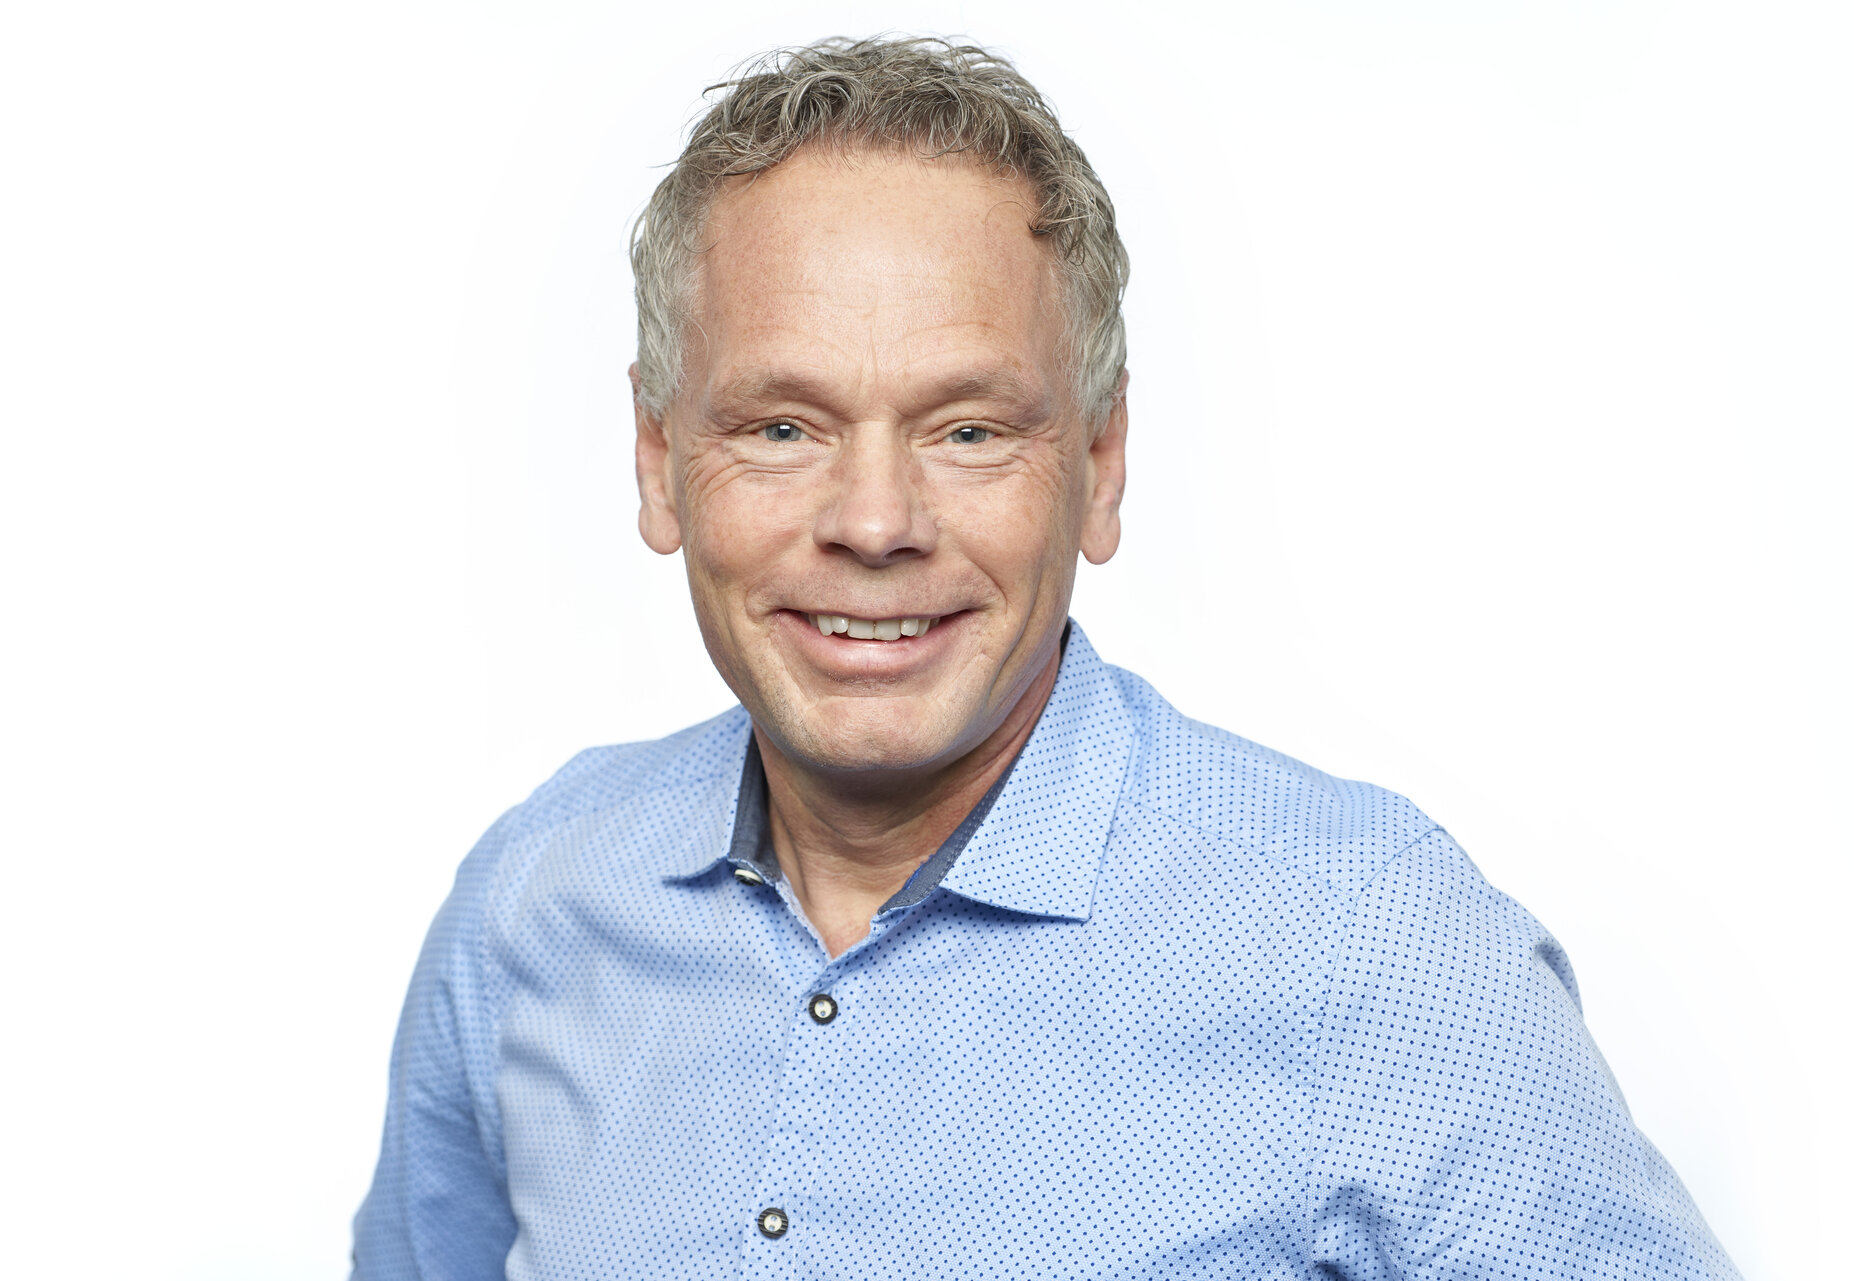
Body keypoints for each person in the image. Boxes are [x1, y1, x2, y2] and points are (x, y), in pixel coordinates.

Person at [353, 36, 1740, 1280]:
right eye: (781, 428)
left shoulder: (1373, 946)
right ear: (659, 461)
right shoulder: (531, 904)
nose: (875, 523)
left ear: (1100, 462)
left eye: (968, 430)